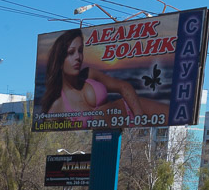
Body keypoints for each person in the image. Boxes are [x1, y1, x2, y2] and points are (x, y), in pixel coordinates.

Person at [39, 30, 168, 127]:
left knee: (178, 116)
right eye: (71, 52)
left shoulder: (88, 73)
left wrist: (139, 119)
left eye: (80, 50)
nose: (78, 57)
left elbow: (123, 86)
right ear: (60, 60)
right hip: (122, 134)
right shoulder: (56, 108)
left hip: (134, 109)